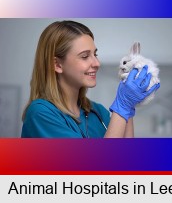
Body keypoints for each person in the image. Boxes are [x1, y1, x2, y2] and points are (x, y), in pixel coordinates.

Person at [21, 20, 159, 138]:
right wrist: (122, 106)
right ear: (57, 65)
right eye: (85, 56)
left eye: (95, 54)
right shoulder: (41, 114)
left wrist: (128, 107)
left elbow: (128, 160)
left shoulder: (96, 111)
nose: (97, 63)